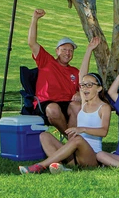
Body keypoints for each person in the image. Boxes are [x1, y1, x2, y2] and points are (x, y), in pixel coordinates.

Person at [20, 37, 112, 175]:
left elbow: (104, 132)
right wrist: (89, 50)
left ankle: (40, 166)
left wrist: (81, 129)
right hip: (74, 154)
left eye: (90, 85)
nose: (85, 88)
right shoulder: (84, 103)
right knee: (44, 136)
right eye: (83, 85)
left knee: (77, 139)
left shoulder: (104, 107)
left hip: (90, 156)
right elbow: (82, 74)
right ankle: (61, 167)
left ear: (99, 88)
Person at [27, 8, 80, 136]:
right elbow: (32, 43)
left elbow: (83, 89)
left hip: (67, 103)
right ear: (57, 51)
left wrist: (79, 93)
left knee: (78, 106)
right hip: (47, 103)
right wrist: (35, 19)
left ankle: (71, 143)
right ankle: (71, 140)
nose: (67, 53)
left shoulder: (75, 71)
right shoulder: (47, 61)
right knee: (53, 109)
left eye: (71, 50)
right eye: (64, 49)